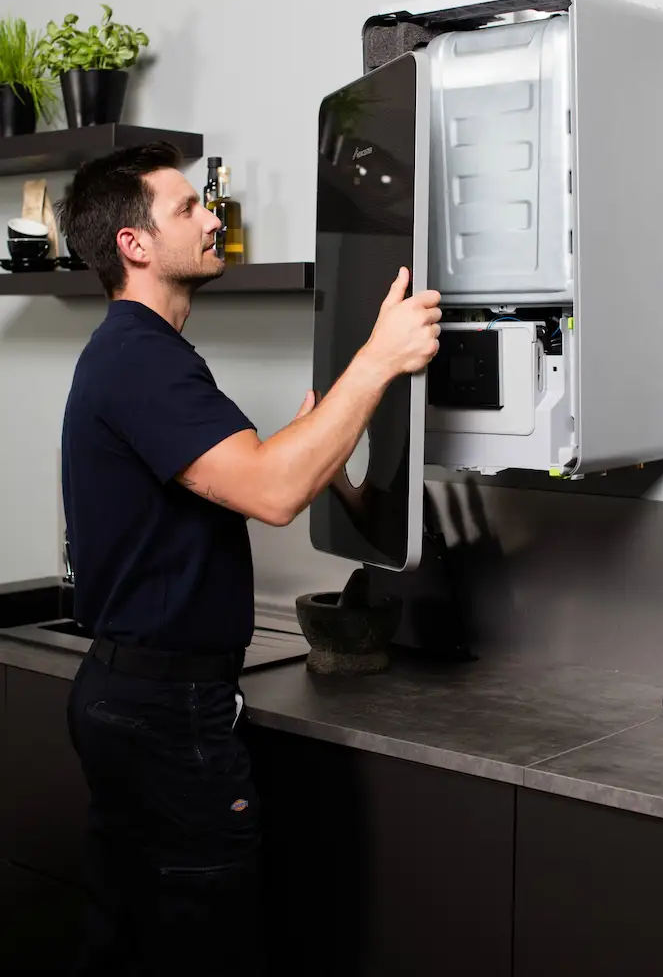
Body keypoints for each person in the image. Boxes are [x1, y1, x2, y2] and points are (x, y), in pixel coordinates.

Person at [58, 141, 441, 977]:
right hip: (166, 715)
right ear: (135, 245)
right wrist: (380, 356)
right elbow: (270, 490)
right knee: (208, 949)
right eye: (190, 208)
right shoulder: (141, 359)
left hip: (133, 700)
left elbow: (256, 471)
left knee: (128, 945)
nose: (211, 220)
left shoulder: (136, 355)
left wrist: (327, 450)